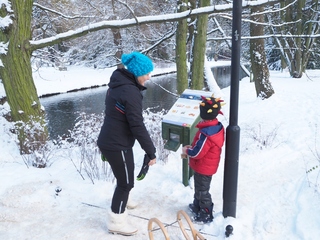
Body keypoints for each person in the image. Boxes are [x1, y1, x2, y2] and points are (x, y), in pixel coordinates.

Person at [97, 51, 157, 236]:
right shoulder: (130, 91)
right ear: (137, 72)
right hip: (117, 143)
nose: (148, 77)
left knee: (125, 178)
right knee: (126, 183)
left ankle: (125, 198)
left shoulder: (118, 84)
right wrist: (151, 151)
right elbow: (137, 125)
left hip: (112, 139)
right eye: (146, 73)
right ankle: (116, 220)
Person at [182, 95, 225, 223]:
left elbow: (198, 153)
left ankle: (206, 213)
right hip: (205, 165)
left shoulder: (206, 133)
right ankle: (197, 206)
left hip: (203, 166)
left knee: (202, 190)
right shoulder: (215, 126)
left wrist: (188, 150)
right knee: (199, 187)